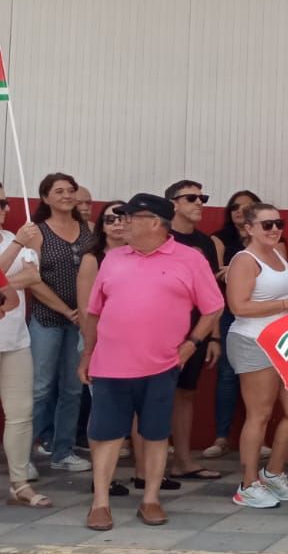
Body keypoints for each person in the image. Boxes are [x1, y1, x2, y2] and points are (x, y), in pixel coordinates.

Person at [76, 193, 223, 531]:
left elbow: (213, 306)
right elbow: (95, 311)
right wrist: (87, 353)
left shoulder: (190, 259)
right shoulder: (112, 259)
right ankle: (100, 503)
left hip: (161, 365)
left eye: (129, 217)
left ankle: (151, 499)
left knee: (156, 434)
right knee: (107, 436)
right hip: (110, 364)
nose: (121, 222)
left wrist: (192, 344)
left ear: (155, 222)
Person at [225, 203, 288, 508]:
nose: (275, 229)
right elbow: (239, 306)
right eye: (267, 225)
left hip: (285, 341)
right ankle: (248, 484)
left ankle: (273, 472)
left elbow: (285, 295)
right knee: (259, 414)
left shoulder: (277, 253)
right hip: (252, 340)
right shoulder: (244, 261)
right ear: (248, 228)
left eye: (279, 223)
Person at [28, 172, 92, 473]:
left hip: (81, 322)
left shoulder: (88, 230)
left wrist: (82, 313)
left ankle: (63, 450)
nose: (66, 196)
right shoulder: (36, 232)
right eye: (59, 191)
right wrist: (67, 310)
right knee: (40, 387)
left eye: (70, 190)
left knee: (72, 388)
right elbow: (33, 280)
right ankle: (24, 453)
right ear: (45, 198)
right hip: (46, 319)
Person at [164, 180, 225, 480]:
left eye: (203, 197)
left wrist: (213, 335)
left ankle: (183, 460)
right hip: (161, 328)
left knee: (186, 393)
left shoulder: (205, 243)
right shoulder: (161, 238)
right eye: (191, 198)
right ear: (173, 203)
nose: (199, 203)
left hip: (197, 330)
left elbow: (212, 294)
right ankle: (148, 466)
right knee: (154, 394)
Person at [75, 202, 131, 496]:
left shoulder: (138, 256)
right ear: (102, 225)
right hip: (100, 345)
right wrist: (90, 347)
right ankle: (101, 480)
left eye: (123, 218)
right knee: (103, 412)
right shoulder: (92, 258)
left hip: (134, 346)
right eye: (111, 219)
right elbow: (86, 309)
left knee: (125, 414)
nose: (118, 224)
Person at [203, 189, 261, 459]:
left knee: (262, 376)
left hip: (262, 313)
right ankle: (222, 436)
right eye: (234, 206)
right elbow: (214, 278)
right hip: (228, 313)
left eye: (246, 207)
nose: (239, 210)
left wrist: (236, 272)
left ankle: (258, 437)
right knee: (227, 374)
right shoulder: (220, 238)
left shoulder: (269, 237)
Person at [0, 184, 45, 507]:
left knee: (21, 413)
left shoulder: (13, 239)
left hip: (14, 340)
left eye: (3, 202)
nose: (2, 208)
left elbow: (32, 277)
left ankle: (19, 483)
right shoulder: (16, 240)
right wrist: (17, 243)